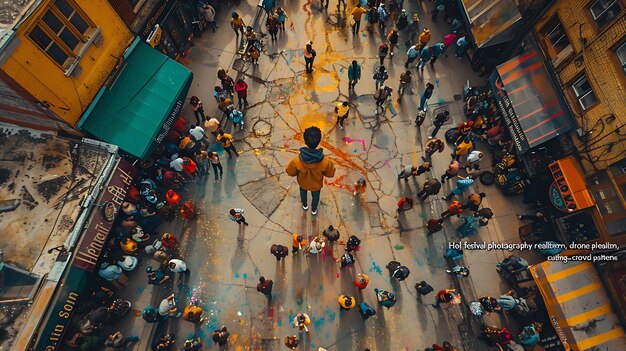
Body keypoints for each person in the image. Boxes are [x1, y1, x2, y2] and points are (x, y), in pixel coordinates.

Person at [286, 126, 336, 215]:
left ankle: (305, 205)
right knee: (316, 196)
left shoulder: (296, 161)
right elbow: (330, 174)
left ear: (305, 141)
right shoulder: (326, 162)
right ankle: (313, 210)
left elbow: (290, 172)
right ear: (319, 140)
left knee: (303, 192)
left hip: (303, 183)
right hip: (316, 185)